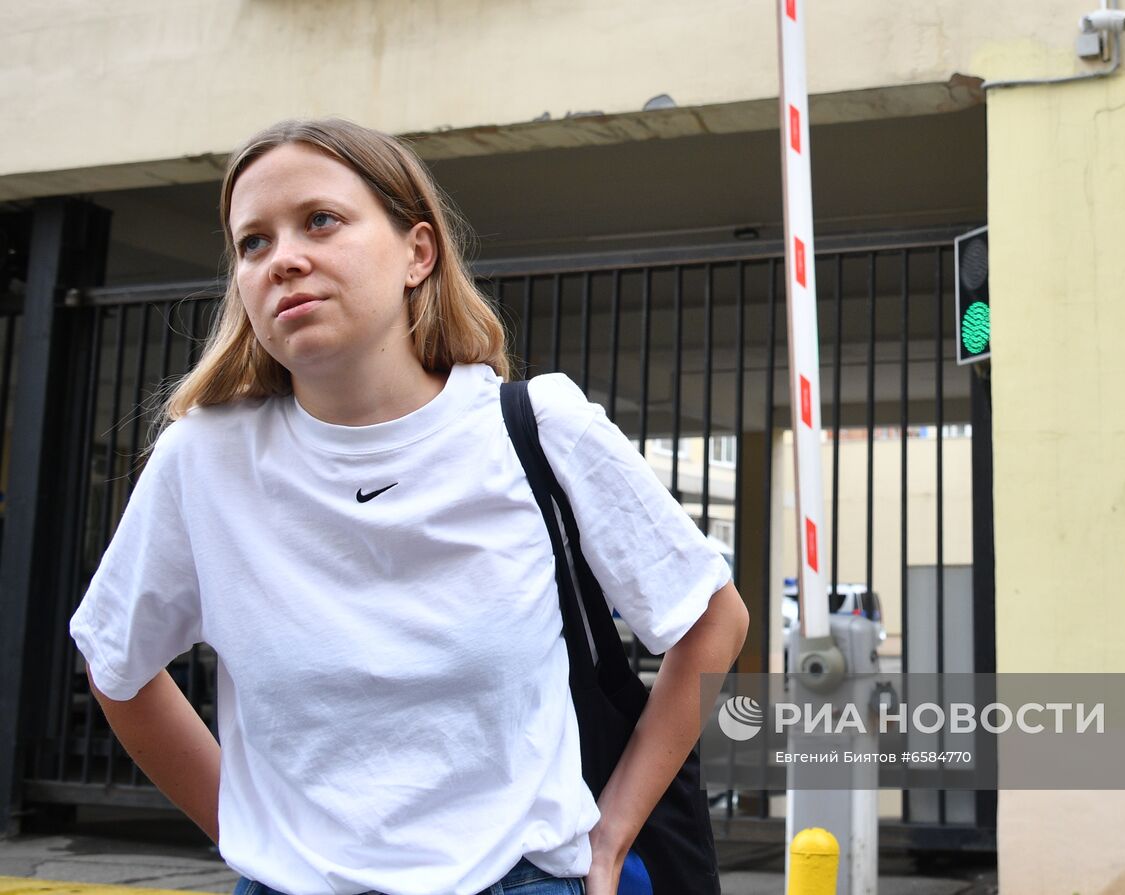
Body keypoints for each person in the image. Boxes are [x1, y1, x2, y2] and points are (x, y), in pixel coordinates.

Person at [69, 118, 749, 895]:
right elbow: (116, 662)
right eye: (252, 242)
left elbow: (714, 619)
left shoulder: (537, 427)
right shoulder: (204, 458)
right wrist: (246, 828)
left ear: (418, 253)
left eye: (320, 220)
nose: (283, 257)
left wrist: (615, 828)